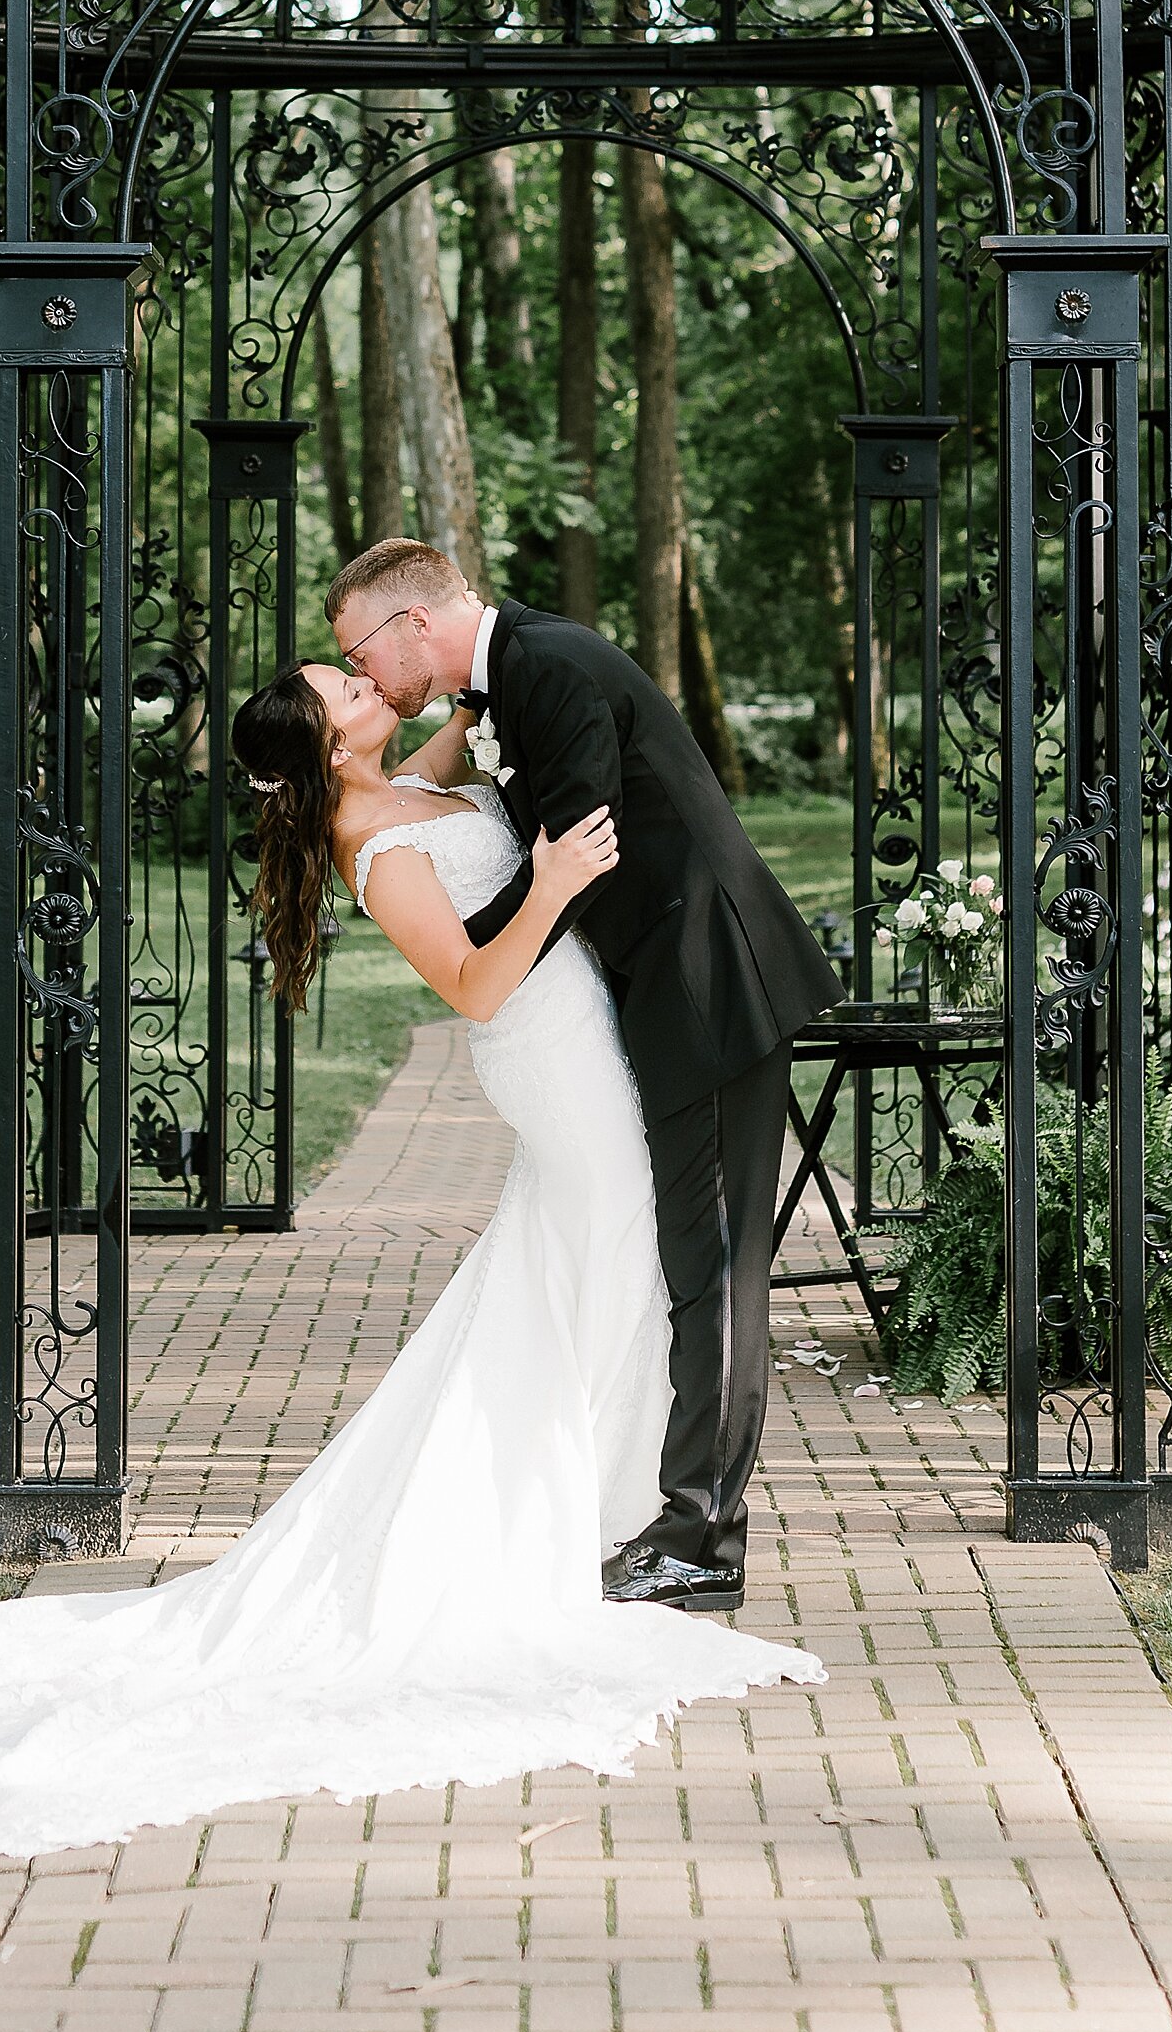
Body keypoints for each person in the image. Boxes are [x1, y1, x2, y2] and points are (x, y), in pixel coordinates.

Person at [0, 643, 818, 1899]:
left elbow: (460, 734)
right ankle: (596, 1504)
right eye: (346, 688)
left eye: (356, 670)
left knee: (593, 1261)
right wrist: (557, 874)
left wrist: (472, 678)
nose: (365, 686)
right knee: (609, 1247)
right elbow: (470, 983)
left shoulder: (399, 777)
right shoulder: (382, 846)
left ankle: (614, 1496)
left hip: (586, 1032)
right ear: (328, 746)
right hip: (543, 1046)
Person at [326, 541, 842, 1614]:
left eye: (361, 650)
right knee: (694, 1259)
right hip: (661, 994)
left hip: (710, 984)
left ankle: (701, 1532)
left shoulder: (546, 666)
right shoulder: (508, 675)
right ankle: (685, 1517)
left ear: (413, 622)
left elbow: (578, 846)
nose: (369, 676)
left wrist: (484, 958)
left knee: (717, 1267)